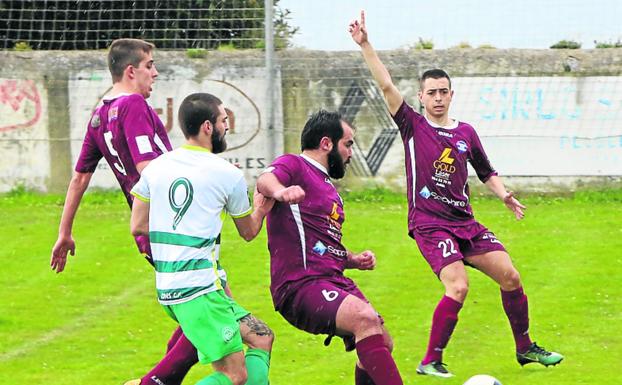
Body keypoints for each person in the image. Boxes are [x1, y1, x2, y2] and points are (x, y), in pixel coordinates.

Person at [349, 11, 563, 378]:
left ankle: (526, 348)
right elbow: (386, 86)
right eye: (430, 92)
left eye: (443, 92)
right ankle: (431, 359)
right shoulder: (412, 125)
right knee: (458, 286)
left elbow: (486, 170)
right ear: (420, 96)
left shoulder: (466, 132)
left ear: (451, 95)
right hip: (430, 224)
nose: (437, 98)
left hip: (466, 223)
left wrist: (504, 194)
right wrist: (366, 44)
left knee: (511, 277)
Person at [49, 39, 273, 385]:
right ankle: (154, 382)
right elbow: (151, 167)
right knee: (215, 316)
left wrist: (64, 232)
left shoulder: (99, 115)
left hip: (150, 232)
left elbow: (80, 178)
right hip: (176, 230)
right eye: (150, 65)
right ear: (131, 71)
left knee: (211, 321)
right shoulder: (134, 106)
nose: (155, 72)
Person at [130, 92, 274, 385]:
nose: (227, 126)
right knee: (234, 375)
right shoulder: (227, 174)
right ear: (208, 127)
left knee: (262, 337)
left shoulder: (156, 167)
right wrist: (261, 208)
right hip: (199, 290)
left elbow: (138, 225)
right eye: (224, 120)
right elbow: (248, 232)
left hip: (170, 288)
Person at [256, 110, 404, 385]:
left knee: (382, 342)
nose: (350, 153)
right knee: (365, 318)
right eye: (347, 144)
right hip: (300, 284)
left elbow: (324, 247)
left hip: (332, 279)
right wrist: (279, 192)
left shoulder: (328, 188)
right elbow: (265, 179)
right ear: (326, 144)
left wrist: (354, 259)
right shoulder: (295, 165)